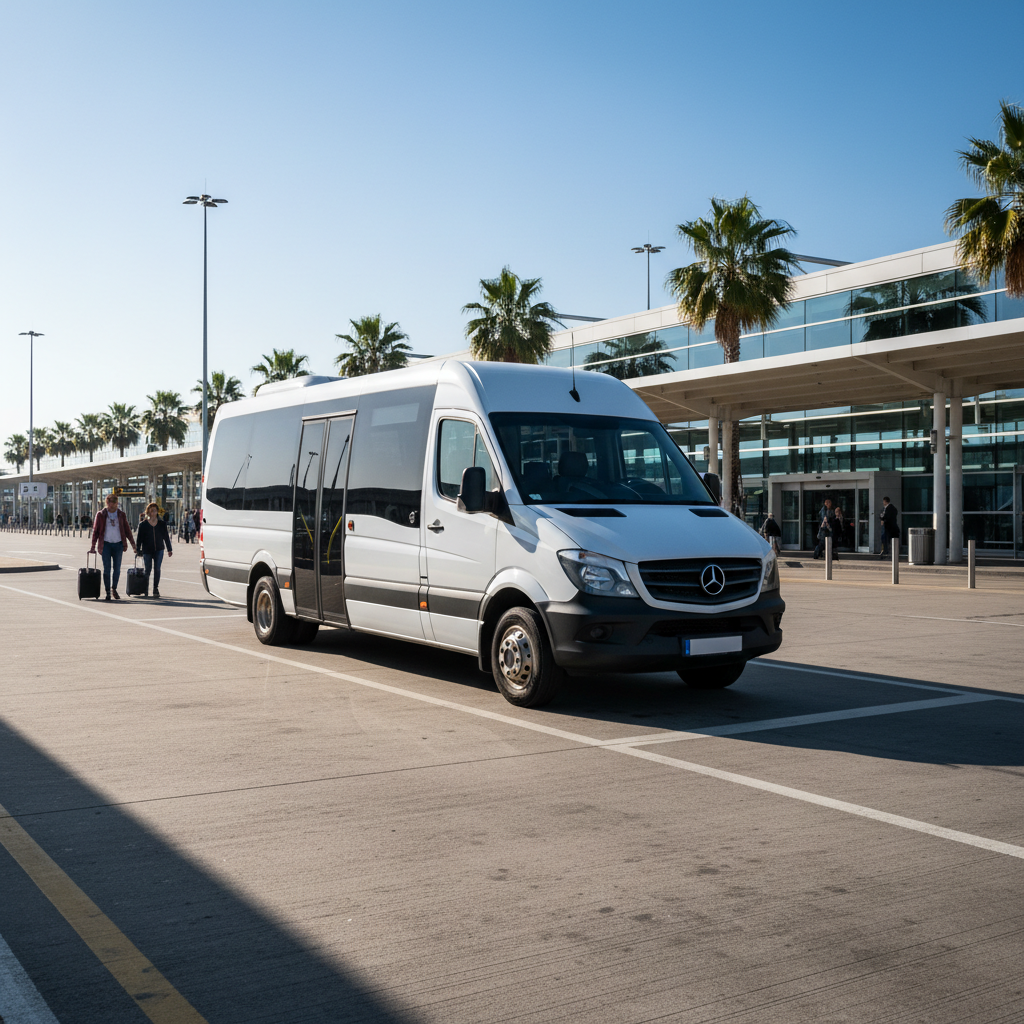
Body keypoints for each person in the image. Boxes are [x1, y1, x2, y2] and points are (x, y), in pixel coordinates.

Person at [89, 493, 137, 601]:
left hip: (118, 545)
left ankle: (114, 588)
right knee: (107, 569)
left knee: (117, 569)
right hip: (105, 545)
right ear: (107, 503)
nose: (113, 505)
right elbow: (95, 531)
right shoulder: (100, 514)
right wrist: (93, 546)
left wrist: (133, 545)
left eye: (115, 503)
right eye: (110, 502)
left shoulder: (121, 515)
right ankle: (107, 592)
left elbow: (127, 531)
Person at [136, 501, 173, 598]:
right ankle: (145, 588)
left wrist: (169, 549)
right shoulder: (143, 525)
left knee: (157, 569)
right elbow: (139, 538)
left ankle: (155, 588)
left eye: (155, 511)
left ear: (157, 512)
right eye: (151, 511)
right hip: (147, 550)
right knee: (147, 570)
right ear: (148, 512)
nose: (153, 513)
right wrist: (137, 549)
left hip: (159, 550)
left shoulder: (161, 524)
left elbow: (166, 537)